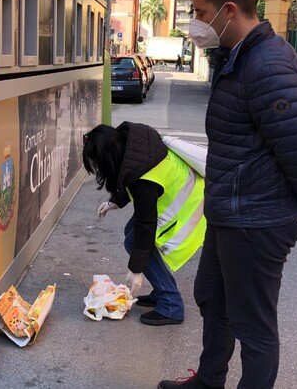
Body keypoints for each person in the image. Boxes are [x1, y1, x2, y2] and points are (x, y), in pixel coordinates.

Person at [158, 0, 297, 389]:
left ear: (229, 10)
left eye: (200, 13)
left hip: (258, 218)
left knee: (253, 324)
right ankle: (209, 380)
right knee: (212, 298)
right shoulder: (239, 57)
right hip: (232, 210)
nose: (196, 24)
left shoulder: (267, 65)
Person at [82, 122, 206, 326]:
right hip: (188, 199)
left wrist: (136, 271)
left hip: (189, 210)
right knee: (132, 233)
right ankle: (162, 290)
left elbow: (145, 221)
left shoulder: (144, 181)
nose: (96, 167)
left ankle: (171, 305)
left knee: (134, 241)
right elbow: (131, 177)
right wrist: (115, 201)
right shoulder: (134, 147)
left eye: (97, 162)